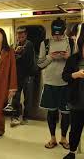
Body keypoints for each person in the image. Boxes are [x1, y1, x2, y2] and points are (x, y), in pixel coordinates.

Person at [37, 18, 70, 150]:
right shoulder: (45, 43)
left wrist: (68, 57)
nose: (57, 36)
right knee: (51, 113)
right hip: (50, 83)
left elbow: (76, 62)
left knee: (66, 113)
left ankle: (63, 138)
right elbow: (40, 64)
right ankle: (52, 138)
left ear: (64, 31)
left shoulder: (71, 43)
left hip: (66, 83)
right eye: (55, 33)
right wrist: (51, 57)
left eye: (59, 34)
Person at [62, 26, 84, 159]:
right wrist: (75, 75)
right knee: (75, 130)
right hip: (77, 102)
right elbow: (65, 76)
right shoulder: (73, 59)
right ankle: (72, 152)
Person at [10, 26, 36, 127]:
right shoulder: (13, 45)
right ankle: (15, 116)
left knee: (27, 98)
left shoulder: (29, 44)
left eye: (22, 35)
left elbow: (26, 60)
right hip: (17, 75)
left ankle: (25, 117)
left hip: (27, 75)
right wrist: (15, 53)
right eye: (18, 35)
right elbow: (11, 59)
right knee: (15, 97)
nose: (20, 37)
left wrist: (17, 55)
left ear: (25, 35)